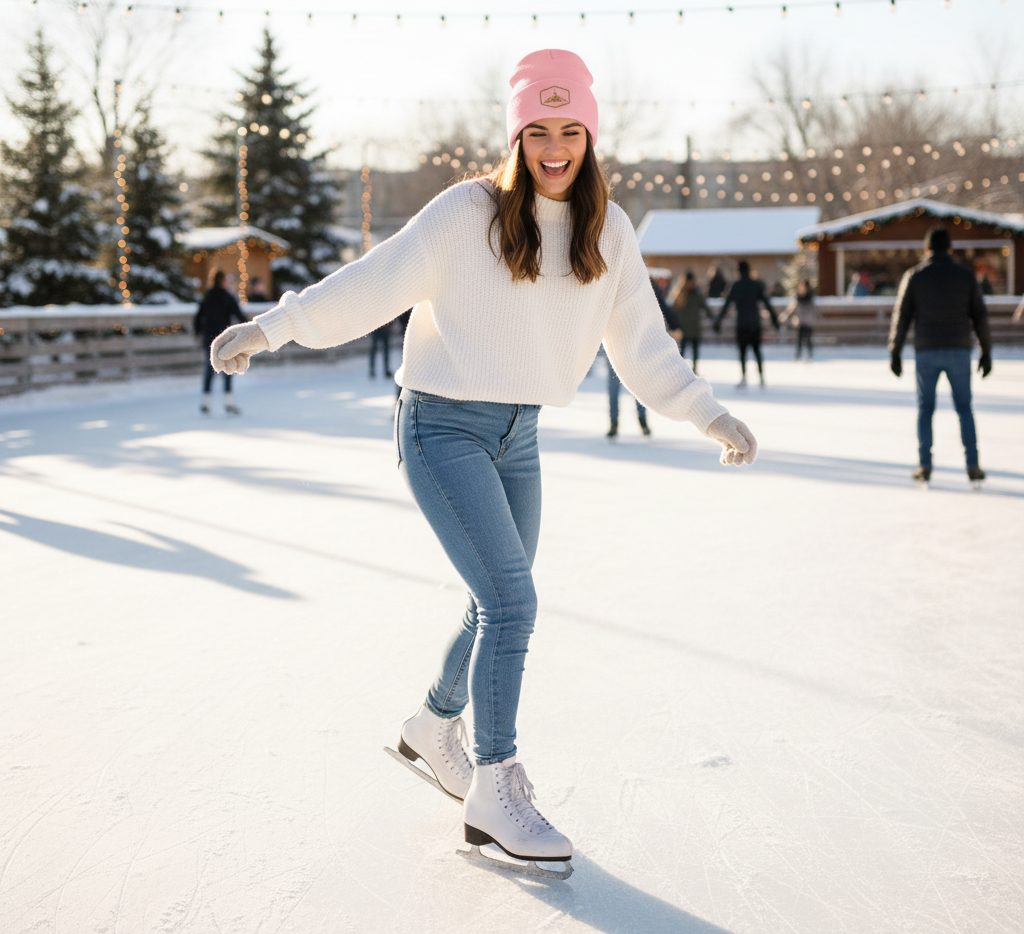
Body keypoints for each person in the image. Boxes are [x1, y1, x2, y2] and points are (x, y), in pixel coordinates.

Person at [207, 49, 757, 879]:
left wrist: (708, 412)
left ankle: (435, 724)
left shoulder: (608, 230)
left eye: (571, 130)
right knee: (513, 602)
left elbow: (644, 347)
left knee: (491, 601)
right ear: (518, 136)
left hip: (519, 434)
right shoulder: (469, 213)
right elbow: (372, 282)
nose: (556, 147)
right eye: (539, 130)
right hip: (439, 427)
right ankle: (495, 789)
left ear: (591, 137)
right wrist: (271, 327)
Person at [889, 227, 992, 485]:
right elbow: (979, 315)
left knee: (925, 409)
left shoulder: (915, 276)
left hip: (927, 350)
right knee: (964, 408)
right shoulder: (966, 276)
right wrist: (986, 352)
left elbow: (902, 315)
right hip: (958, 349)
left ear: (926, 250)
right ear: (950, 249)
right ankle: (973, 464)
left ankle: (924, 464)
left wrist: (895, 351)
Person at [607, 275, 681, 437]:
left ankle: (640, 420)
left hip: (635, 343)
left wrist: (675, 325)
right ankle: (615, 422)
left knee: (637, 385)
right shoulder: (613, 283)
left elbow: (661, 306)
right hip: (616, 342)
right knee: (619, 385)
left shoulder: (646, 283)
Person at [713, 260, 779, 388]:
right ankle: (761, 377)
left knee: (743, 352)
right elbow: (766, 302)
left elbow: (726, 305)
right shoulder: (756, 285)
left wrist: (718, 321)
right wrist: (774, 319)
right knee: (757, 350)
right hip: (754, 324)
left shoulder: (736, 286)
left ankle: (743, 377)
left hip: (742, 324)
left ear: (738, 271)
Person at [194, 271, 245, 414]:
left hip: (209, 339)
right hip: (224, 338)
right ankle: (228, 399)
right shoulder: (227, 297)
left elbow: (198, 317)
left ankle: (206, 400)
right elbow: (239, 315)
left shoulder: (207, 296)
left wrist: (198, 332)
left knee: (209, 369)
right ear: (222, 281)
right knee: (228, 368)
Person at [671, 270, 712, 374]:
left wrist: (713, 318)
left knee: (695, 350)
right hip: (683, 328)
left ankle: (695, 369)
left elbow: (705, 307)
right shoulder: (679, 294)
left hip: (694, 328)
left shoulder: (697, 293)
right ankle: (681, 371)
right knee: (682, 351)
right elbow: (673, 310)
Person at [778, 279, 817, 361]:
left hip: (808, 322)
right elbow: (791, 309)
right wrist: (784, 316)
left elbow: (813, 310)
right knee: (799, 340)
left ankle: (809, 356)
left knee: (808, 340)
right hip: (800, 322)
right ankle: (798, 356)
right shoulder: (797, 299)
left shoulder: (809, 299)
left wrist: (812, 319)